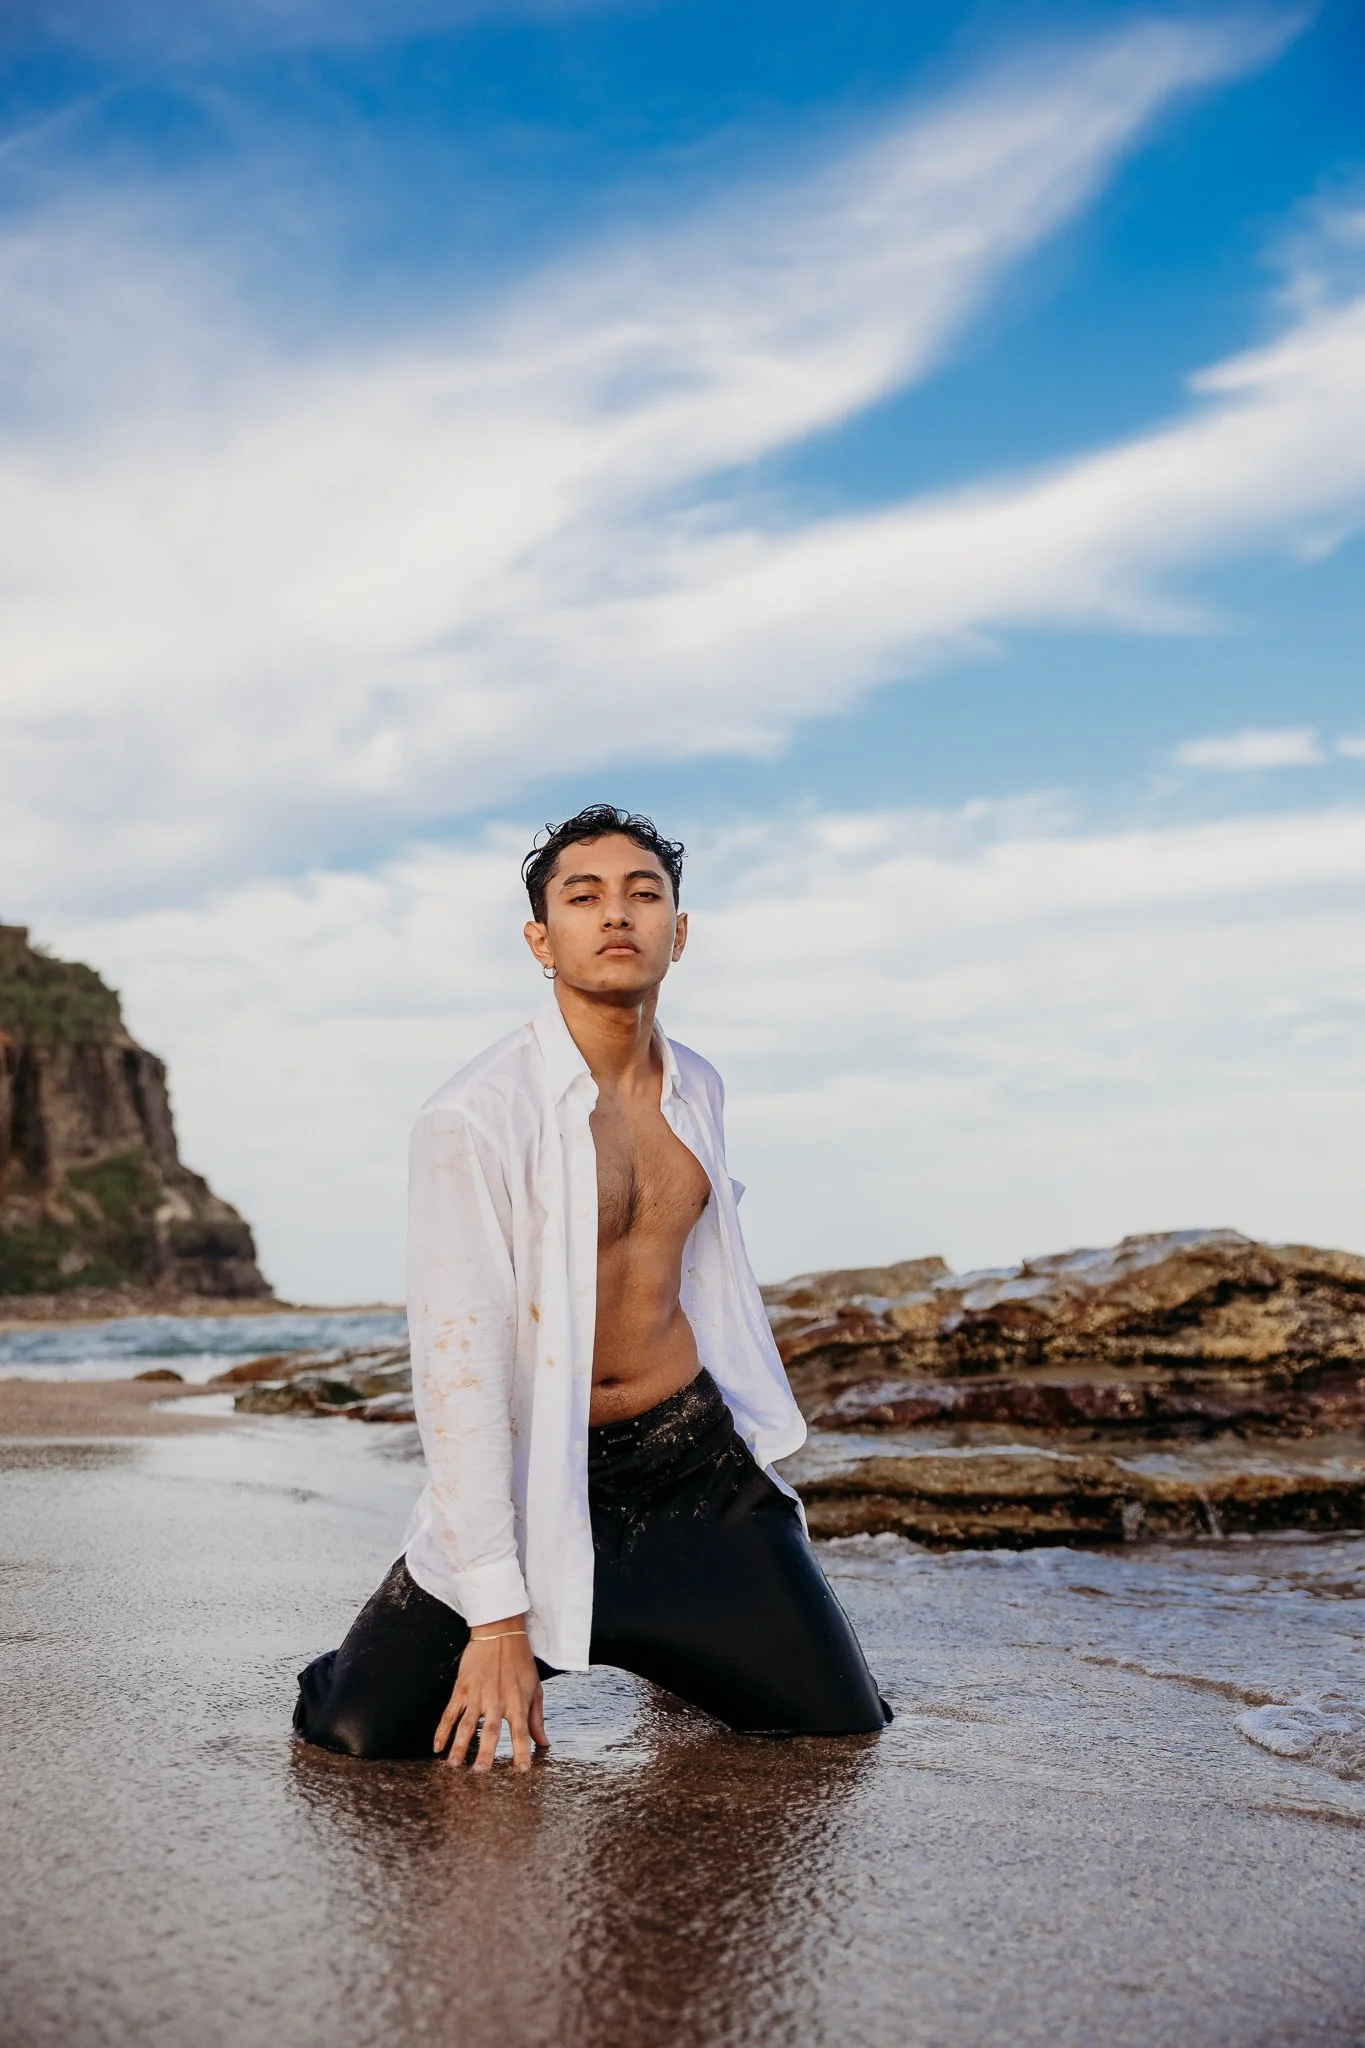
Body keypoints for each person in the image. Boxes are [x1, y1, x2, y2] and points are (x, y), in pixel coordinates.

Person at [294, 803, 889, 1766]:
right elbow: (460, 1371)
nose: (617, 914)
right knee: (356, 1735)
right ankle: (390, 1652)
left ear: (678, 932)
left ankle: (675, 1641)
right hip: (542, 1480)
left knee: (838, 1724)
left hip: (691, 1468)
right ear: (541, 938)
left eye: (643, 893)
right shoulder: (472, 1116)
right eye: (584, 896)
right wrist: (494, 1624)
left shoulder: (699, 1086)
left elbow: (695, 1276)